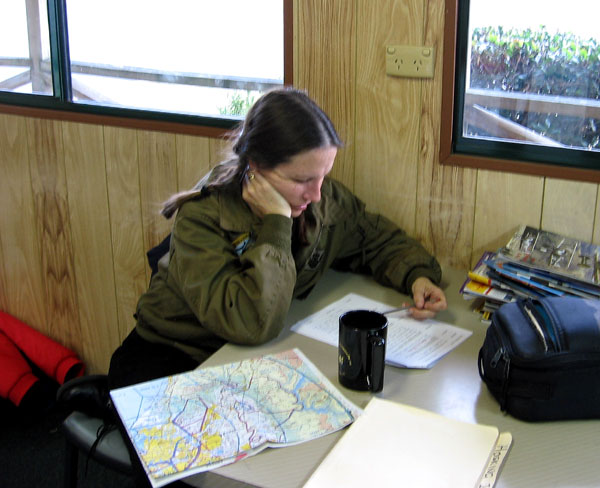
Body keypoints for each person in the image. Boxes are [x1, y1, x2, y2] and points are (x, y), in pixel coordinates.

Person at [108, 87, 446, 390]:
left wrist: (417, 276)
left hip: (245, 358)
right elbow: (250, 322)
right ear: (255, 165)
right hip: (172, 359)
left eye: (323, 175)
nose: (316, 194)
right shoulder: (202, 217)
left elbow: (372, 237)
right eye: (302, 180)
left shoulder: (318, 199)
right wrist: (277, 223)